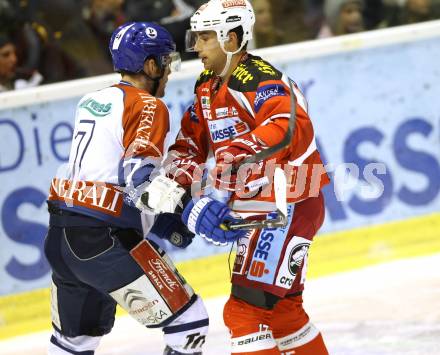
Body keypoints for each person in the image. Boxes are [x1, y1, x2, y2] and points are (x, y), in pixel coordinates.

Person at [141, 0, 331, 353]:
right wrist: (175, 186)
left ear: (231, 38)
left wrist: (234, 157)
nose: (195, 46)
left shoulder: (260, 80)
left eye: (204, 37)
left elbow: (289, 125)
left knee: (244, 313)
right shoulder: (207, 87)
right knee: (284, 313)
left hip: (287, 204)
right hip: (268, 208)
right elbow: (188, 146)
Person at [44, 22, 225, 355]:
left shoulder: (92, 99)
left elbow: (102, 178)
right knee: (190, 324)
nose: (170, 71)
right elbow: (137, 177)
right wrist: (192, 210)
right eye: (166, 61)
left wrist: (160, 221)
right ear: (150, 66)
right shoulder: (148, 105)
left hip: (61, 239)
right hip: (103, 241)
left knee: (73, 343)